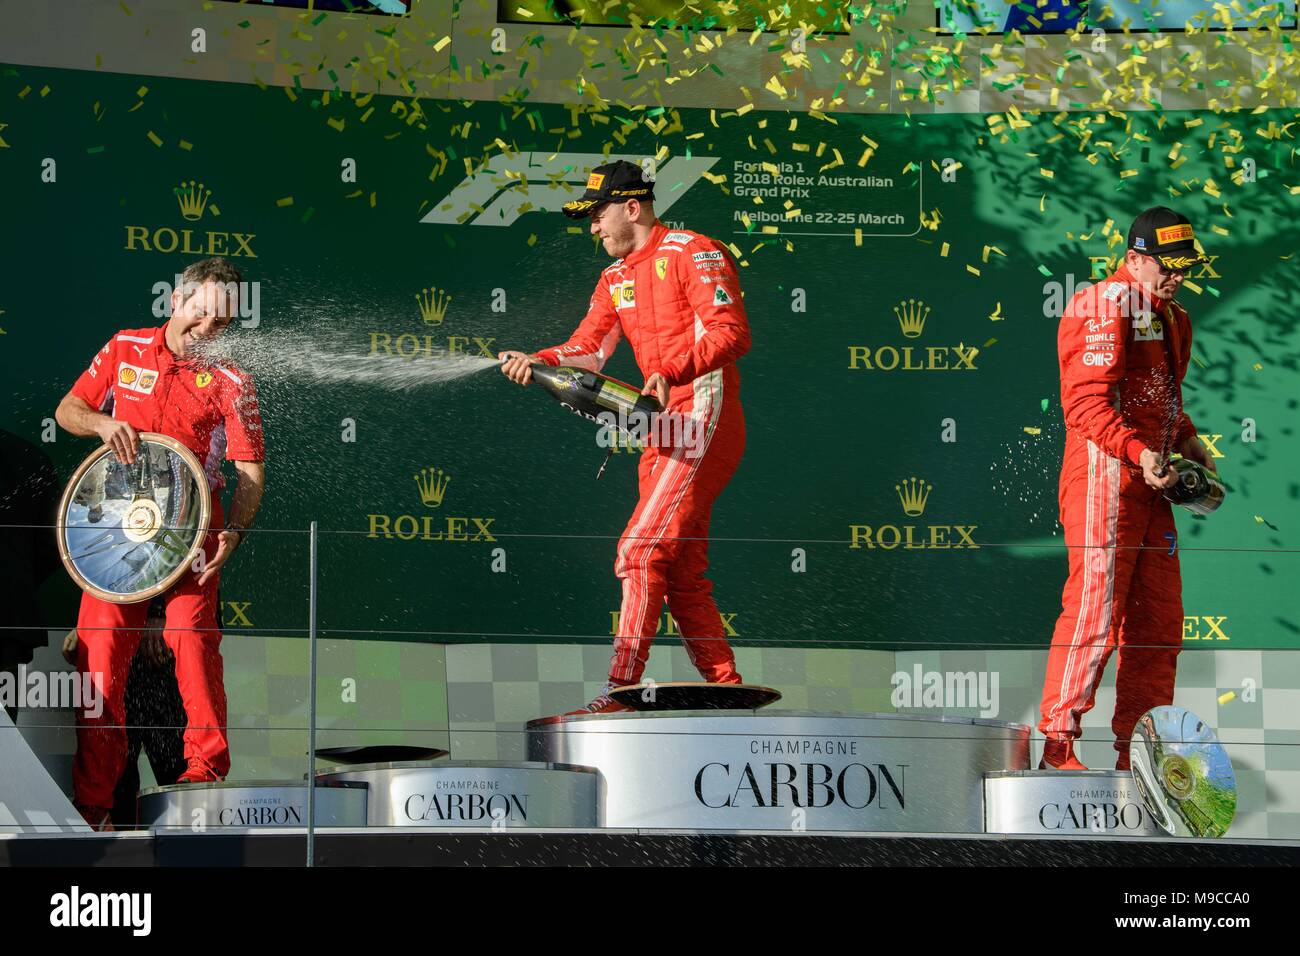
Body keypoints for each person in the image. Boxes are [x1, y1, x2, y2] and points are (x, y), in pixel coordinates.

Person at [499, 160, 751, 714]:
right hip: (659, 428)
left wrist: (675, 368)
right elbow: (587, 349)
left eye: (597, 215)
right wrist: (536, 360)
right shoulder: (613, 279)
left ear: (631, 207)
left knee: (640, 550)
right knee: (680, 566)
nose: (592, 228)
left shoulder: (694, 250)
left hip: (702, 417)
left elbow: (733, 333)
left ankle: (619, 691)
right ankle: (727, 686)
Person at [55, 257, 266, 830]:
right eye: (199, 315)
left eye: (219, 325)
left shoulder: (232, 378)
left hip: (195, 524)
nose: (205, 331)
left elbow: (249, 470)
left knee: (193, 641)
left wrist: (236, 531)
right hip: (117, 526)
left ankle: (205, 775)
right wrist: (101, 425)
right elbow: (68, 409)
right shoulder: (124, 347)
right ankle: (95, 801)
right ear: (176, 301)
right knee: (99, 657)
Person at [1038, 207, 1216, 771]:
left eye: (1186, 267)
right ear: (1135, 258)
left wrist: (1187, 440)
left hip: (1151, 482)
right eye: (1169, 266)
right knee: (1093, 612)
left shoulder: (1173, 316)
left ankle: (1136, 754)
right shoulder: (1100, 304)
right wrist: (1141, 453)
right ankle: (1056, 745)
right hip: (1102, 479)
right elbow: (1085, 405)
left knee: (1157, 625)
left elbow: (1160, 398)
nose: (1179, 276)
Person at [61, 599, 188, 829]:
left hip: (165, 643)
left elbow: (182, 565)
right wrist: (87, 627)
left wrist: (160, 617)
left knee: (179, 772)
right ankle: (119, 853)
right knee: (119, 779)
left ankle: (200, 852)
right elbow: (105, 568)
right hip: (117, 639)